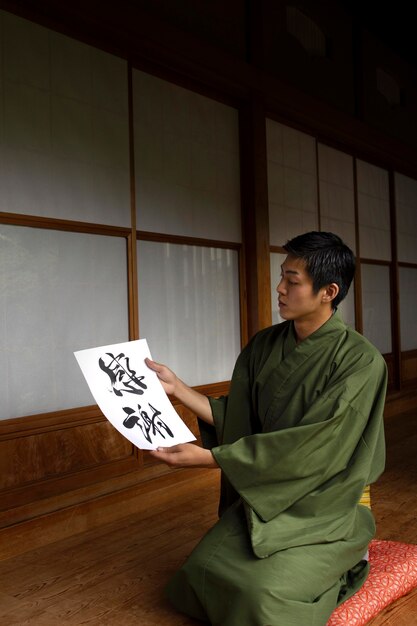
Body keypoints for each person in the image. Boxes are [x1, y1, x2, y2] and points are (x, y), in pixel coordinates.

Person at [146, 231, 387, 626]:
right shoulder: (263, 345)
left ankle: (349, 560)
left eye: (293, 281)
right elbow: (241, 419)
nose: (280, 288)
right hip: (272, 494)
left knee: (262, 598)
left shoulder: (360, 362)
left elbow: (317, 447)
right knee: (201, 574)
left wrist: (210, 459)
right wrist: (178, 389)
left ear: (329, 291)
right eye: (282, 277)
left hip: (327, 502)